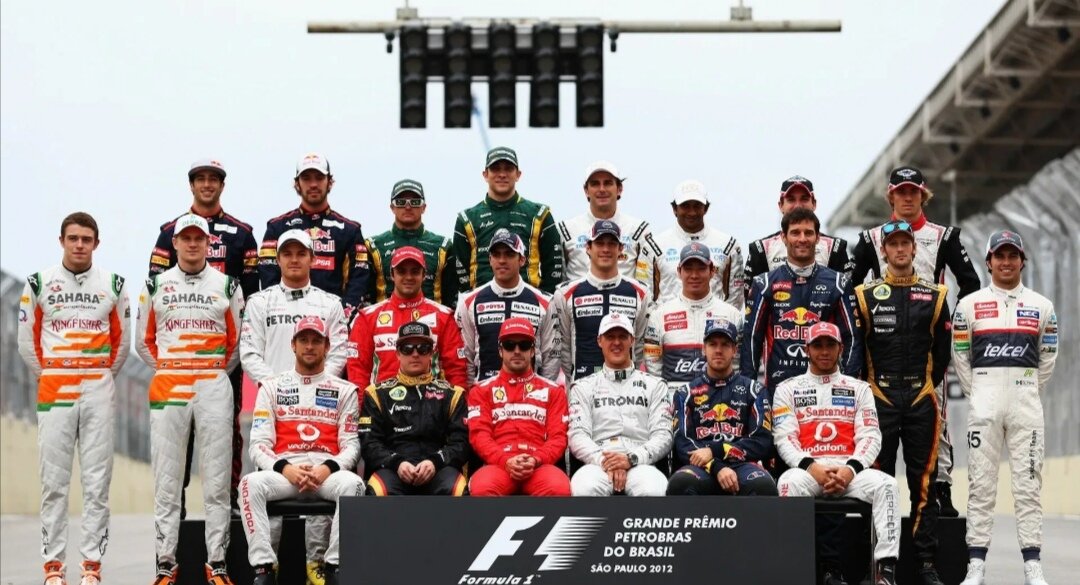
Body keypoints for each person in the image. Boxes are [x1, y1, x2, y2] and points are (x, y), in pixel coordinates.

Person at [852, 165, 982, 516]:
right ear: (891, 196)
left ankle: (940, 490)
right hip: (883, 349)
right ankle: (871, 495)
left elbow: (970, 284)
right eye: (901, 192)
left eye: (913, 192)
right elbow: (849, 289)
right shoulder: (871, 239)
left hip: (925, 347)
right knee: (876, 429)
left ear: (923, 195)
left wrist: (951, 326)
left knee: (937, 421)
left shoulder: (944, 236)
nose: (907, 198)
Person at [18, 212, 131, 585]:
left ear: (96, 243)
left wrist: (98, 375)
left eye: (86, 239)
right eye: (73, 238)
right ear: (61, 241)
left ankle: (91, 567)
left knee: (97, 481)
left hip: (98, 385)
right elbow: (26, 343)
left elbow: (122, 344)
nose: (79, 245)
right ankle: (53, 567)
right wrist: (52, 373)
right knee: (53, 482)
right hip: (55, 385)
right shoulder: (38, 283)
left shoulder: (114, 284)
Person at [135, 214, 244, 585]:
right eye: (186, 238)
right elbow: (143, 342)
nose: (193, 243)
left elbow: (235, 345)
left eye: (199, 238)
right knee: (167, 480)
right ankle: (166, 564)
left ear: (209, 243)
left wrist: (208, 371)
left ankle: (217, 564)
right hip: (170, 383)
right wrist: (172, 367)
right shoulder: (155, 285)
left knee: (216, 481)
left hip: (213, 382)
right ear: (176, 243)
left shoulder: (228, 285)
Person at [148, 158, 258, 521]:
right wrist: (165, 359)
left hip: (223, 355)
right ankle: (175, 501)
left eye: (214, 179)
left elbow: (251, 298)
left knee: (227, 429)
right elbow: (156, 294)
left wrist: (230, 357)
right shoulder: (168, 232)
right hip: (178, 356)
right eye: (201, 179)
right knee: (178, 432)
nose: (207, 185)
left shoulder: (242, 234)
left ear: (222, 186)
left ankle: (228, 497)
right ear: (191, 185)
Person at [238, 228, 349, 584]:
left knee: (322, 472)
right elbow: (248, 353)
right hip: (273, 401)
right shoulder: (260, 302)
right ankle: (266, 567)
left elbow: (340, 351)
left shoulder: (330, 304)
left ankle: (318, 564)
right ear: (278, 259)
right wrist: (280, 386)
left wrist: (315, 385)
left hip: (322, 401)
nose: (294, 259)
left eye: (301, 253)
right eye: (287, 253)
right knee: (265, 475)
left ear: (313, 258)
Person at [954, 230, 1058, 585]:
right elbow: (961, 357)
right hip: (984, 404)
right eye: (1000, 255)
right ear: (989, 262)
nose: (1007, 262)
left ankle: (1033, 565)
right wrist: (981, 393)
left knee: (1028, 486)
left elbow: (1048, 357)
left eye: (1013, 255)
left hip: (1025, 404)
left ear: (1022, 261)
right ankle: (976, 565)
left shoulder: (1042, 307)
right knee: (981, 486)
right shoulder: (969, 306)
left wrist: (1025, 389)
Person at [854, 220, 949, 585]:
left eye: (904, 243)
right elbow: (856, 352)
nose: (898, 249)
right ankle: (879, 564)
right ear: (883, 251)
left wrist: (925, 385)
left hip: (921, 396)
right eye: (892, 244)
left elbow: (942, 354)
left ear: (913, 248)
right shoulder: (864, 295)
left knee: (924, 484)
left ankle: (925, 563)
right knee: (878, 483)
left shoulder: (936, 294)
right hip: (880, 397)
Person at [240, 316, 365, 585]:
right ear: (293, 345)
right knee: (249, 484)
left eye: (316, 341)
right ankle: (264, 568)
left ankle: (334, 567)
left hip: (326, 475)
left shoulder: (345, 391)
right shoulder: (271, 387)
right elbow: (258, 445)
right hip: (286, 475)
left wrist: (326, 469)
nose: (309, 346)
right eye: (304, 340)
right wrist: (287, 469)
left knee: (354, 485)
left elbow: (352, 445)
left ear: (327, 346)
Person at [773, 322, 901, 585]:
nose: (824, 351)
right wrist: (813, 468)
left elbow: (870, 436)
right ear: (806, 349)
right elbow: (785, 438)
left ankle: (885, 572)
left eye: (830, 345)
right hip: (810, 472)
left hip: (849, 472)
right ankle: (793, 568)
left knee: (888, 485)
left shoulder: (859, 388)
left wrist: (849, 470)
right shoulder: (787, 389)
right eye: (817, 345)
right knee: (786, 484)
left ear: (841, 349)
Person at [742, 207, 862, 396]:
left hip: (827, 394)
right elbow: (751, 341)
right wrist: (748, 394)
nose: (802, 238)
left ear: (818, 238)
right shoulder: (763, 284)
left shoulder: (839, 283)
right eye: (795, 233)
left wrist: (848, 387)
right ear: (783, 237)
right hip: (779, 393)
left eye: (808, 233)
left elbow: (852, 338)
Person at [666, 320, 776, 496]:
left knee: (763, 486)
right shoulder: (685, 393)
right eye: (713, 344)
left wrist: (715, 451)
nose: (718, 350)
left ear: (734, 350)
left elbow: (762, 441)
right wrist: (716, 466)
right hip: (702, 466)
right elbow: (682, 443)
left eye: (725, 344)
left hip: (742, 464)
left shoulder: (755, 390)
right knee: (681, 483)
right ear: (704, 349)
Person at [359, 321, 469, 496]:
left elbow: (461, 442)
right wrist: (397, 463)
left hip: (438, 467)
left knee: (457, 489)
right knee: (379, 490)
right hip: (393, 468)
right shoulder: (376, 394)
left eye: (423, 348)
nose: (415, 354)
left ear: (432, 353)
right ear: (397, 353)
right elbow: (369, 443)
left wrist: (435, 462)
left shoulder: (453, 394)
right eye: (407, 348)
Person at [568, 314, 673, 496]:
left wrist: (631, 459)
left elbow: (663, 435)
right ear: (599, 341)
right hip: (598, 463)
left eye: (622, 337)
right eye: (610, 337)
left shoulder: (656, 385)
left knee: (653, 489)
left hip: (641, 463)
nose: (616, 342)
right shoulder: (582, 387)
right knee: (584, 488)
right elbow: (578, 436)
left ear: (632, 340)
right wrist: (606, 461)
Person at [466, 318, 571, 496]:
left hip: (538, 465)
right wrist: (505, 460)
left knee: (558, 488)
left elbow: (558, 438)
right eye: (509, 345)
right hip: (499, 465)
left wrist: (536, 459)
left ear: (533, 350)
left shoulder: (554, 391)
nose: (516, 351)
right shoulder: (481, 390)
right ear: (500, 351)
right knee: (483, 488)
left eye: (524, 345)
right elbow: (479, 436)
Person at [260, 152, 371, 317]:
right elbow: (269, 279)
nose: (313, 184)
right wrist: (286, 313)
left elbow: (359, 281)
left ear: (330, 182)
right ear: (297, 184)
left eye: (319, 178)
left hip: (333, 319)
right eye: (306, 178)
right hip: (286, 317)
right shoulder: (277, 228)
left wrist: (341, 316)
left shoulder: (349, 230)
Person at [346, 246, 466, 388]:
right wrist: (363, 402)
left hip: (430, 400)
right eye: (402, 271)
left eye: (415, 271)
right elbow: (358, 370)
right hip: (381, 401)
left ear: (424, 275)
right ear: (392, 274)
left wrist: (456, 402)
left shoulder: (443, 316)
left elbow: (456, 370)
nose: (408, 277)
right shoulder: (367, 317)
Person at [452, 146, 563, 294]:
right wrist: (472, 300)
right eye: (495, 169)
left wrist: (541, 301)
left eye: (508, 169)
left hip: (528, 302)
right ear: (485, 175)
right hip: (481, 302)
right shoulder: (467, 219)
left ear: (518, 174)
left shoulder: (540, 214)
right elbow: (459, 272)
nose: (502, 174)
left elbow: (553, 268)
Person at [455, 229, 559, 385]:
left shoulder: (545, 302)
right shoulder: (468, 301)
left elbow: (551, 356)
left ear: (522, 260)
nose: (502, 260)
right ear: (490, 259)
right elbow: (465, 356)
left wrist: (542, 392)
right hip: (485, 393)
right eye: (496, 255)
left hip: (530, 393)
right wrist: (472, 392)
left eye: (509, 254)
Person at [551, 220, 649, 382]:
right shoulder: (565, 293)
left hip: (627, 387)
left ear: (621, 249)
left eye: (612, 244)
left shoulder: (640, 292)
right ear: (588, 247)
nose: (605, 249)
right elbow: (564, 349)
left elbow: (638, 346)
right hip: (582, 387)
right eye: (599, 243)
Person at [644, 242, 743, 392]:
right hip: (673, 400)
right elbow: (653, 369)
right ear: (679, 271)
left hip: (718, 401)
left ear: (712, 271)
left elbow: (737, 365)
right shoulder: (659, 315)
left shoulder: (732, 314)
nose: (694, 275)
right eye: (688, 269)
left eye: (701, 269)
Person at [556, 160, 660, 286]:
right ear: (586, 191)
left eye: (608, 183)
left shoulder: (638, 230)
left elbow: (647, 282)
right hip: (578, 298)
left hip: (625, 297)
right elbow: (557, 282)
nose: (602, 189)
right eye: (595, 184)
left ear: (619, 189)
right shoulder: (566, 230)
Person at [744, 175, 852, 293]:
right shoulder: (761, 249)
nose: (798, 205)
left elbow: (848, 295)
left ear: (814, 204)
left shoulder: (834, 248)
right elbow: (749, 298)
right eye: (791, 200)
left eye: (804, 199)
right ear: (781, 205)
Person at [653, 179, 745, 308]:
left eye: (697, 206)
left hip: (714, 319)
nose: (692, 212)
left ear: (705, 208)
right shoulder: (655, 245)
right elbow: (646, 297)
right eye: (685, 206)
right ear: (674, 209)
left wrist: (721, 318)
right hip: (669, 319)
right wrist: (661, 318)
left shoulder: (728, 245)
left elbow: (736, 298)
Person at [366, 179, 457, 308]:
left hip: (432, 318)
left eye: (415, 202)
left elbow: (451, 297)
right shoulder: (373, 246)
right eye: (400, 202)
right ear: (392, 208)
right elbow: (366, 296)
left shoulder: (443, 246)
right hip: (386, 318)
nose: (408, 207)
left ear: (423, 207)